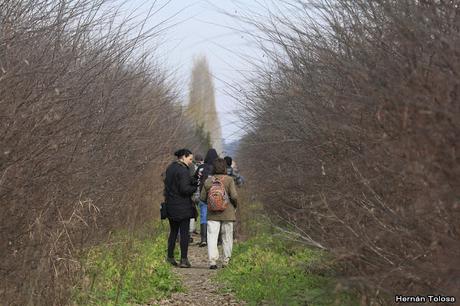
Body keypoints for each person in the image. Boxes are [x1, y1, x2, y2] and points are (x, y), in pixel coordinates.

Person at [200, 158, 238, 269]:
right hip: (228, 213)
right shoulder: (229, 180)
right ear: (225, 167)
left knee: (212, 237)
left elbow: (202, 198)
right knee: (227, 237)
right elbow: (234, 196)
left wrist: (212, 203)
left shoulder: (208, 181)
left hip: (212, 214)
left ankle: (212, 262)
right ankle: (226, 261)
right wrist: (234, 205)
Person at [163, 148, 198, 268]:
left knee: (173, 232)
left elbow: (173, 185)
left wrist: (192, 180)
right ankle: (184, 260)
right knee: (184, 234)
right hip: (183, 207)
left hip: (170, 205)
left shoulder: (170, 168)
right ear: (183, 157)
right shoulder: (183, 170)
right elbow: (184, 189)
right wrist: (195, 187)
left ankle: (170, 257)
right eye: (190, 159)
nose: (191, 162)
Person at [194, 148, 218, 247]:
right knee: (216, 216)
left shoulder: (201, 168)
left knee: (204, 216)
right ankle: (216, 239)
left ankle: (204, 239)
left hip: (203, 194)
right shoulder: (218, 167)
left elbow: (195, 179)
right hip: (216, 195)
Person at [189, 154, 204, 238]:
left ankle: (191, 230)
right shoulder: (204, 167)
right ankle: (203, 233)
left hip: (193, 193)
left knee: (191, 211)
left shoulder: (192, 167)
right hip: (202, 193)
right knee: (203, 212)